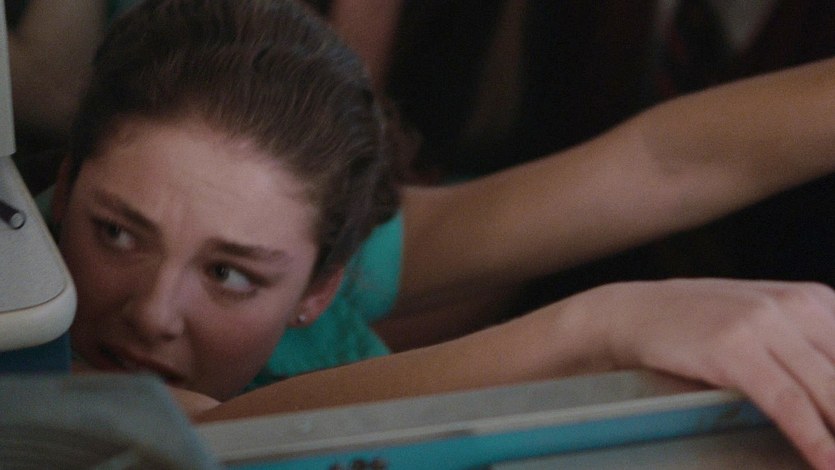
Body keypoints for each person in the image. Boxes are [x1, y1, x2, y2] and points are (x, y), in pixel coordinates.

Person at [52, 1, 835, 468]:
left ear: (321, 287)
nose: (153, 312)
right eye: (117, 233)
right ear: (62, 185)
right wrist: (595, 328)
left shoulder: (297, 237)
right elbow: (199, 440)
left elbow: (662, 161)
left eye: (229, 275)